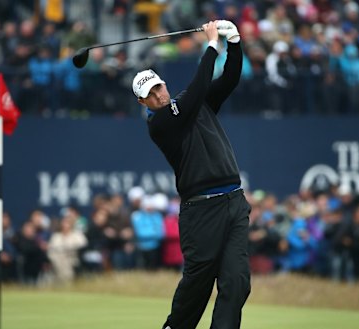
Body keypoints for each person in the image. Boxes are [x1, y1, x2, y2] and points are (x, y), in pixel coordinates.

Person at [131, 20, 251, 329]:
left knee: (237, 282)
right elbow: (197, 90)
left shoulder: (195, 104)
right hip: (201, 211)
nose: (157, 94)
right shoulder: (159, 124)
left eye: (158, 86)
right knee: (198, 286)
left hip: (234, 202)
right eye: (150, 93)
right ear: (142, 102)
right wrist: (212, 46)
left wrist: (234, 43)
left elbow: (230, 79)